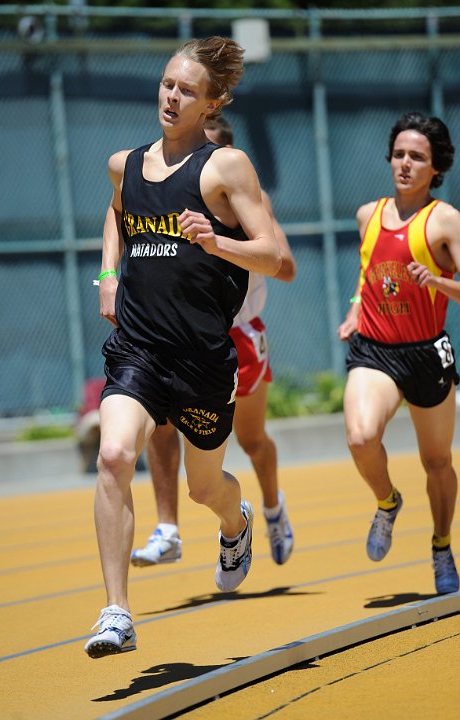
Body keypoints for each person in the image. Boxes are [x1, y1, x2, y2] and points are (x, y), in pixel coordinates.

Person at [85, 36, 283, 659]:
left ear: (213, 102)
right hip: (138, 348)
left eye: (188, 90)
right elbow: (117, 215)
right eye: (168, 84)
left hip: (201, 358)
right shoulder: (125, 164)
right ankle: (116, 612)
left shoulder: (226, 168)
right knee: (115, 454)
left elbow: (280, 259)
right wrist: (108, 278)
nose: (172, 97)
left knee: (205, 489)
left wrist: (216, 243)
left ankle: (236, 522)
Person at [130, 114, 297, 570]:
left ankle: (271, 508)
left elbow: (284, 266)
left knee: (252, 439)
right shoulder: (168, 191)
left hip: (238, 335)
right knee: (159, 427)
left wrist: (219, 240)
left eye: (211, 151)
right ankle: (167, 527)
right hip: (178, 336)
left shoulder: (248, 198)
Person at [337, 111, 460, 595]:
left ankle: (441, 545)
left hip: (427, 354)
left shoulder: (445, 221)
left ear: (436, 167)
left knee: (437, 462)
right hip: (375, 350)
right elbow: (370, 271)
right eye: (400, 154)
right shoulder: (368, 214)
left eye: (418, 157)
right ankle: (387, 502)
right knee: (362, 437)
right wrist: (353, 309)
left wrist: (441, 282)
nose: (405, 164)